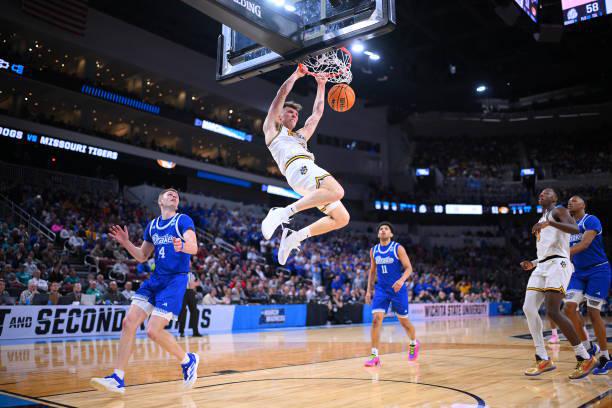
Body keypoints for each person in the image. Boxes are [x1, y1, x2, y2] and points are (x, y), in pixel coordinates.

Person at [90, 188, 200, 394]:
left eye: (176, 195)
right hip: (156, 279)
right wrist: (125, 242)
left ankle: (188, 360)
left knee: (152, 331)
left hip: (175, 281)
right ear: (160, 201)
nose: (173, 195)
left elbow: (194, 247)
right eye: (168, 194)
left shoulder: (183, 220)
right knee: (128, 322)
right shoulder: (153, 226)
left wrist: (183, 245)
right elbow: (142, 256)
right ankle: (117, 378)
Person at [261, 66, 350, 265]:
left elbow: (317, 113)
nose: (294, 115)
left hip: (304, 174)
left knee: (341, 218)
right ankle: (282, 213)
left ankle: (295, 237)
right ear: (280, 116)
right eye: (289, 112)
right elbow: (281, 94)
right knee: (337, 191)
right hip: (298, 167)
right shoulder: (273, 129)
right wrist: (295, 75)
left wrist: (321, 84)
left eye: (296, 114)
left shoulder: (300, 137)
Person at [520, 188, 596, 379]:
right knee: (528, 308)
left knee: (553, 311)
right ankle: (542, 358)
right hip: (542, 265)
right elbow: (546, 250)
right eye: (540, 194)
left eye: (546, 193)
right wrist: (533, 263)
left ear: (554, 198)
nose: (542, 195)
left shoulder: (559, 210)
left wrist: (550, 222)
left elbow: (575, 229)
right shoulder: (542, 218)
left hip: (558, 264)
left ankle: (584, 357)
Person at [563, 196, 611, 375]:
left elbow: (585, 244)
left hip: (598, 270)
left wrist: (563, 253)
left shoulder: (590, 220)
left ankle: (605, 357)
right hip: (579, 272)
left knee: (593, 312)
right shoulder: (567, 227)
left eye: (575, 201)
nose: (570, 202)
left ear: (583, 205)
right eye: (569, 201)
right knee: (568, 308)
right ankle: (588, 346)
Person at [364, 222, 419, 367]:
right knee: (376, 320)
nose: (383, 230)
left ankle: (414, 343)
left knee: (404, 322)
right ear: (378, 234)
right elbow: (372, 271)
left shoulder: (397, 248)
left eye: (386, 228)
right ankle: (374, 355)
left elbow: (409, 268)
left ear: (391, 234)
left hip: (397, 290)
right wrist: (368, 290)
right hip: (381, 290)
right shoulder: (374, 250)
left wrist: (401, 280)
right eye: (381, 229)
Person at [178, 272, 202, 337]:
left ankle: (195, 331)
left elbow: (196, 284)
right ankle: (181, 332)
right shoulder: (179, 272)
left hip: (191, 292)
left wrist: (195, 285)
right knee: (183, 311)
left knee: (195, 311)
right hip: (182, 292)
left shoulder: (192, 274)